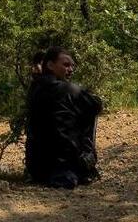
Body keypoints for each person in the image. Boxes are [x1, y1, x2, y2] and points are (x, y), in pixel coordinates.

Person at [25, 46, 102, 189]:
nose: (71, 69)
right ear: (50, 65)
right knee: (90, 109)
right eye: (66, 65)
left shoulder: (34, 89)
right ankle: (86, 166)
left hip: (36, 169)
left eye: (72, 66)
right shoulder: (69, 90)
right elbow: (96, 105)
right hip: (65, 168)